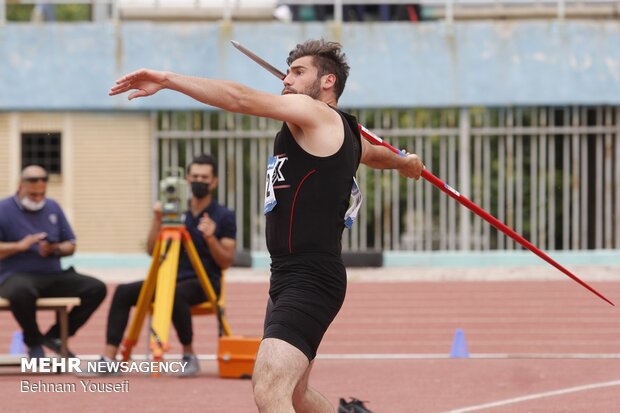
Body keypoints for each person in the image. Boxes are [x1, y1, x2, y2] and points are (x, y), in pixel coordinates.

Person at [109, 39, 423, 412]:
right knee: (295, 395)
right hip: (286, 276)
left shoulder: (317, 115)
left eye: (298, 72)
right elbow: (373, 155)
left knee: (270, 388)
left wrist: (168, 79)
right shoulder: (343, 132)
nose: (286, 79)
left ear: (328, 82)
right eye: (287, 71)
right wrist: (404, 163)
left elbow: (239, 98)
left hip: (311, 278)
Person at [100, 154, 236, 377]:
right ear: (186, 180)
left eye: (204, 177)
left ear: (214, 182)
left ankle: (189, 355)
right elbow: (152, 250)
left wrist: (211, 238)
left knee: (175, 294)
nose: (199, 181)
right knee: (124, 292)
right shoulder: (174, 210)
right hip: (168, 277)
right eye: (194, 176)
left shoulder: (224, 216)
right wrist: (157, 220)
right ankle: (108, 358)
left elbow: (226, 261)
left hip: (204, 282)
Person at [0, 165, 107, 359]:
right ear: (20, 186)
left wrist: (55, 248)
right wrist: (19, 246)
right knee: (21, 291)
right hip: (15, 276)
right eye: (33, 194)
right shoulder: (3, 209)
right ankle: (33, 341)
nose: (38, 198)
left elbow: (71, 245)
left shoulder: (53, 207)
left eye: (42, 194)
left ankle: (55, 336)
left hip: (53, 274)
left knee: (96, 288)